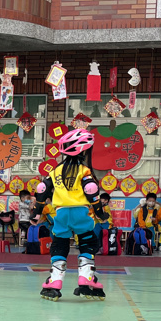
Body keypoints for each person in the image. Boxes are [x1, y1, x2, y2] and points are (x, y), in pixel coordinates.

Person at [31, 128, 106, 301]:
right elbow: (91, 190)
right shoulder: (83, 170)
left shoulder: (56, 171)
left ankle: (55, 281)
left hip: (61, 213)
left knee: (59, 244)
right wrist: (100, 212)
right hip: (81, 212)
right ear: (83, 151)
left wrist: (36, 212)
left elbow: (42, 189)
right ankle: (86, 277)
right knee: (87, 242)